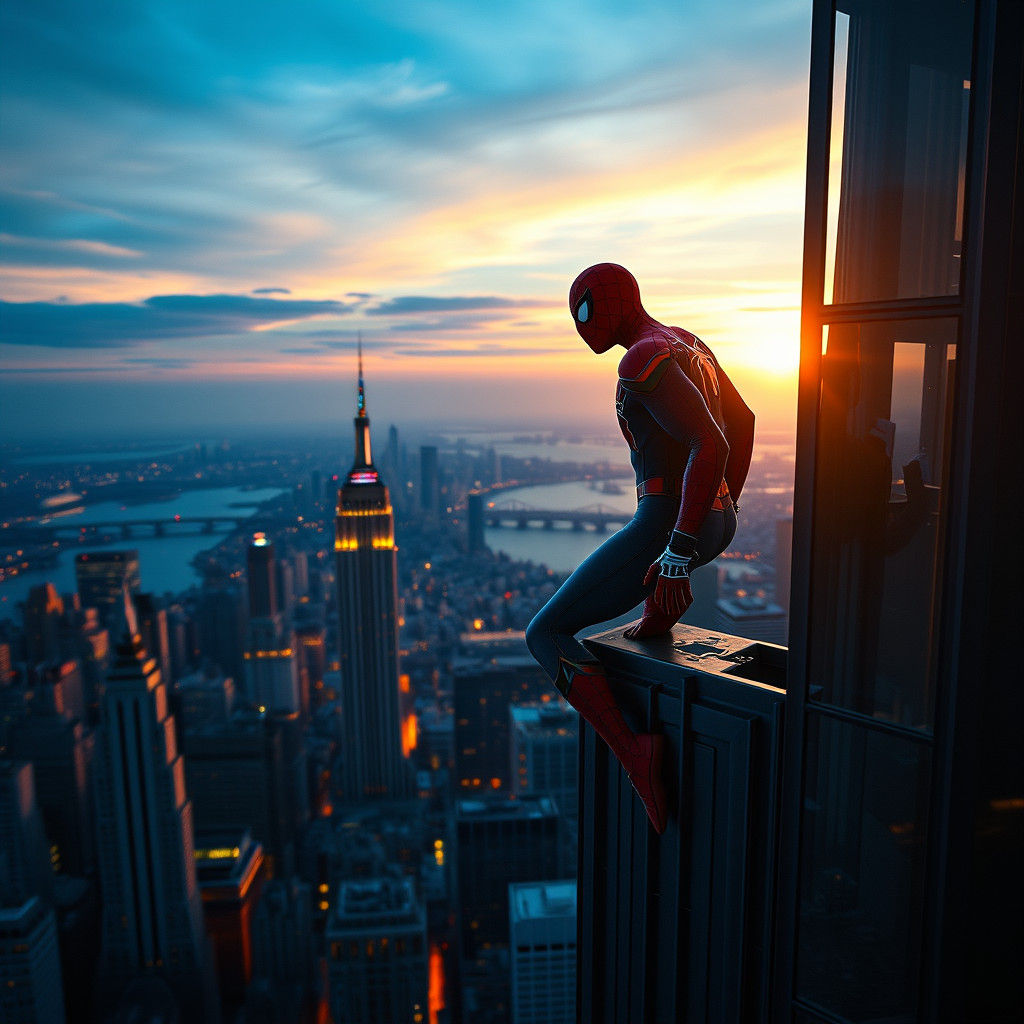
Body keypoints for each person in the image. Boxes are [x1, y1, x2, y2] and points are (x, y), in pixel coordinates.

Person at [525, 263, 755, 833]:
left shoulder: (642, 357)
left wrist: (677, 549)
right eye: (572, 314)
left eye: (585, 309)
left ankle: (634, 752)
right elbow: (743, 422)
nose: (580, 325)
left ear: (618, 300)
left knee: (545, 633)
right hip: (709, 517)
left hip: (666, 520)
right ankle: (656, 617)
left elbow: (712, 442)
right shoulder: (687, 343)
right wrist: (724, 511)